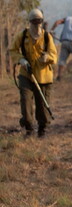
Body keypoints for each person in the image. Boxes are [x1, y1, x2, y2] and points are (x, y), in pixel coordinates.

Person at [10, 9, 58, 137]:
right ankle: (29, 128)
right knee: (26, 103)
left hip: (44, 76)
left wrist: (47, 58)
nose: (37, 24)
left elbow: (54, 56)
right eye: (34, 21)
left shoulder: (47, 37)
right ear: (30, 21)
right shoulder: (22, 35)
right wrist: (21, 60)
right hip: (26, 75)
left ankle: (42, 130)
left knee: (42, 106)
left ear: (42, 21)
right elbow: (12, 50)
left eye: (39, 21)